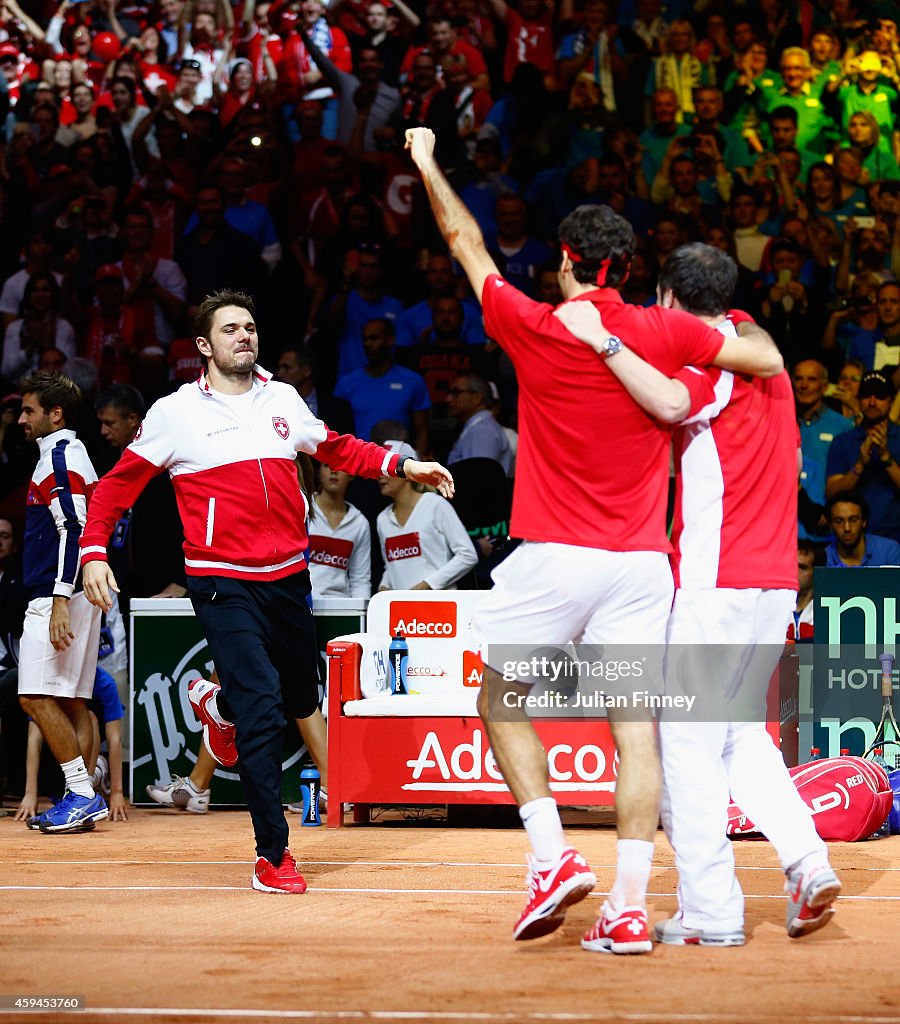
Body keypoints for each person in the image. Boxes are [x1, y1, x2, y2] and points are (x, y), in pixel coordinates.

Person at [404, 126, 783, 952]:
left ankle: (551, 860)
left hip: (554, 558)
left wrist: (427, 159)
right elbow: (760, 355)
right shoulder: (665, 331)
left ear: (568, 260)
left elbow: (463, 239)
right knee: (634, 729)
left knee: (501, 701)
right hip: (643, 565)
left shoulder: (534, 322)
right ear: (628, 268)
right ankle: (628, 905)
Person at [81, 289, 454, 893]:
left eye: (250, 327)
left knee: (298, 697)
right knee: (260, 707)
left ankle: (217, 706)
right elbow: (114, 488)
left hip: (287, 577)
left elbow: (332, 446)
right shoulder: (175, 413)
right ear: (204, 346)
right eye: (230, 330)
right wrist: (95, 551)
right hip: (221, 579)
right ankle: (271, 855)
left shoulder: (282, 398)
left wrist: (401, 466)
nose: (244, 337)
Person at [556, 241, 842, 946]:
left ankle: (711, 912)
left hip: (719, 579)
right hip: (775, 579)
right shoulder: (749, 338)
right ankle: (807, 862)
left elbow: (669, 398)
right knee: (737, 733)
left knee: (683, 743)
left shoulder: (711, 360)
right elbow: (754, 343)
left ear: (670, 299)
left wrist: (606, 341)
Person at [16, 372, 107, 834]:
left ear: (56, 414)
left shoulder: (57, 455)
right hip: (78, 590)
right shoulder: (73, 453)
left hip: (60, 592)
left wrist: (57, 598)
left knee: (33, 695)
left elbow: (72, 529)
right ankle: (84, 794)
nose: (19, 419)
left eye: (29, 410)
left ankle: (81, 794)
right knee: (71, 700)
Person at [376, 440, 477, 591]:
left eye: (387, 468)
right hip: (403, 612)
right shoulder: (382, 519)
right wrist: (384, 586)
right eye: (379, 469)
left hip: (439, 608)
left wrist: (427, 585)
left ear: (408, 472)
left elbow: (468, 555)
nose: (379, 475)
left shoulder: (435, 505)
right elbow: (393, 566)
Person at [826, 370, 900, 541]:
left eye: (880, 396)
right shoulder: (842, 441)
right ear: (858, 400)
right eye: (867, 395)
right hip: (851, 541)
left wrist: (885, 457)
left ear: (891, 400)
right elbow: (832, 494)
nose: (872, 402)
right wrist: (859, 464)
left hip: (896, 539)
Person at [308, 461, 372, 598]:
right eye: (326, 465)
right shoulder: (304, 509)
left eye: (341, 466)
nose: (333, 470)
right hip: (303, 604)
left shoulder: (359, 523)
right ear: (319, 472)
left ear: (352, 474)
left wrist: (361, 615)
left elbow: (360, 579)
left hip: (341, 607)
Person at [446, 373, 512, 474]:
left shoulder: (483, 431)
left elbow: (479, 480)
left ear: (477, 398)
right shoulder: (479, 428)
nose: (448, 399)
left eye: (457, 393)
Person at [825, 489, 900, 567]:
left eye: (853, 520)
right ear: (830, 525)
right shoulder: (824, 559)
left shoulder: (888, 551)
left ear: (864, 521)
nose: (847, 528)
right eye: (839, 521)